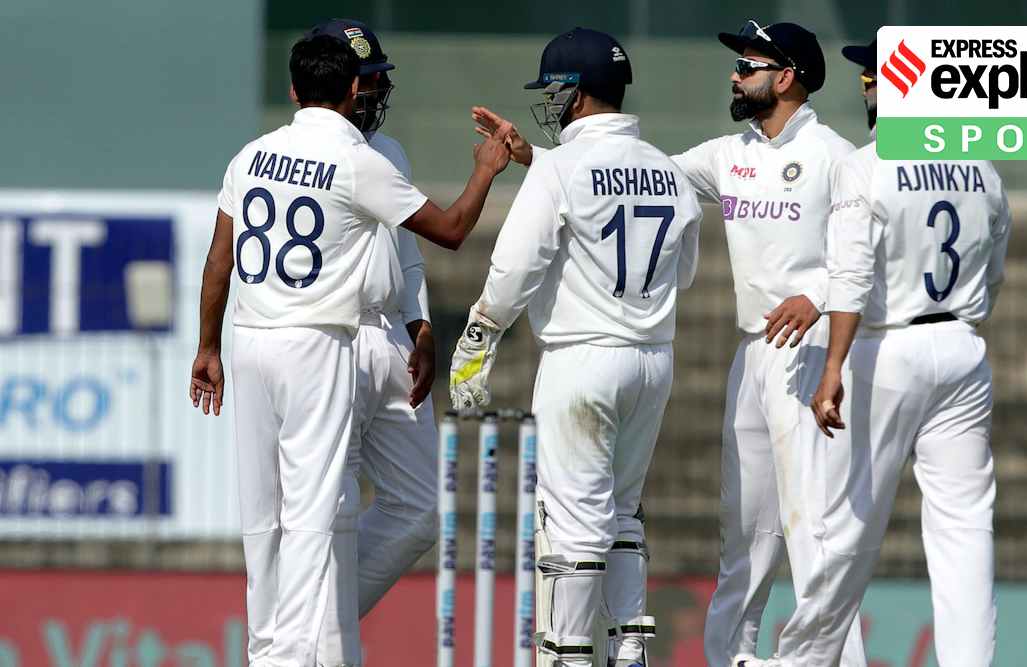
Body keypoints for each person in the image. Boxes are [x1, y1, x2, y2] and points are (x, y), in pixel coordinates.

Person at [471, 20, 866, 667]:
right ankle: (716, 656)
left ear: (786, 77)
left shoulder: (834, 155)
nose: (735, 75)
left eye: (749, 66)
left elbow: (873, 244)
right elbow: (625, 182)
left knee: (812, 527)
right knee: (742, 529)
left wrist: (818, 292)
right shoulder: (721, 155)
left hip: (806, 346)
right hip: (738, 352)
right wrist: (533, 157)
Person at [188, 33, 510, 666]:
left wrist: (207, 345)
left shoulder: (251, 154)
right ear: (355, 87)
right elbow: (450, 229)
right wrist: (486, 169)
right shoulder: (354, 159)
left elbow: (219, 258)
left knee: (266, 515)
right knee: (314, 514)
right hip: (319, 342)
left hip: (251, 340)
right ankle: (286, 657)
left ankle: (274, 649)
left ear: (293, 90)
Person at [447, 27, 703, 667]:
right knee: (622, 513)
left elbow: (515, 265)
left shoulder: (559, 169)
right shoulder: (669, 171)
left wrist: (480, 336)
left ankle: (568, 656)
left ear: (577, 94)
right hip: (653, 359)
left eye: (553, 92)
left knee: (572, 518)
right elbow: (684, 273)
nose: (549, 104)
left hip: (581, 359)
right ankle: (629, 651)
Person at [801, 37, 1012, 666]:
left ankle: (811, 659)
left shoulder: (865, 165)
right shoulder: (980, 165)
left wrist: (832, 366)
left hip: (888, 346)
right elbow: (995, 267)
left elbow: (850, 276)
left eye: (871, 78)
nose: (865, 88)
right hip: (963, 345)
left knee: (845, 519)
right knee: (965, 528)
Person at [297, 19, 455, 667]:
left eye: (377, 80)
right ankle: (314, 643)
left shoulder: (387, 151)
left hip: (387, 334)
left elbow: (406, 252)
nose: (372, 93)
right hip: (329, 335)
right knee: (329, 509)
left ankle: (307, 628)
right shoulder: (301, 152)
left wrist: (421, 324)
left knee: (420, 510)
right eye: (365, 80)